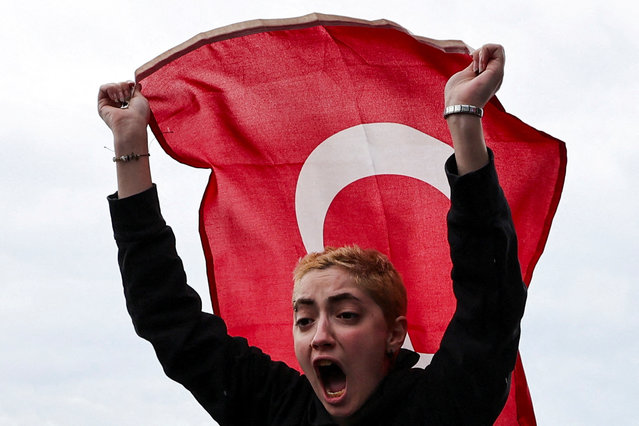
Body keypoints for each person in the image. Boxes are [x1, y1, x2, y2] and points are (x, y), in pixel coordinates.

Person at [100, 43, 527, 425]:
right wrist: (128, 141)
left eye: (345, 315)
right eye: (304, 319)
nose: (320, 335)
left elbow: (491, 297)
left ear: (394, 335)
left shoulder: (442, 404)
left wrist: (464, 117)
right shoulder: (279, 408)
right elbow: (166, 315)